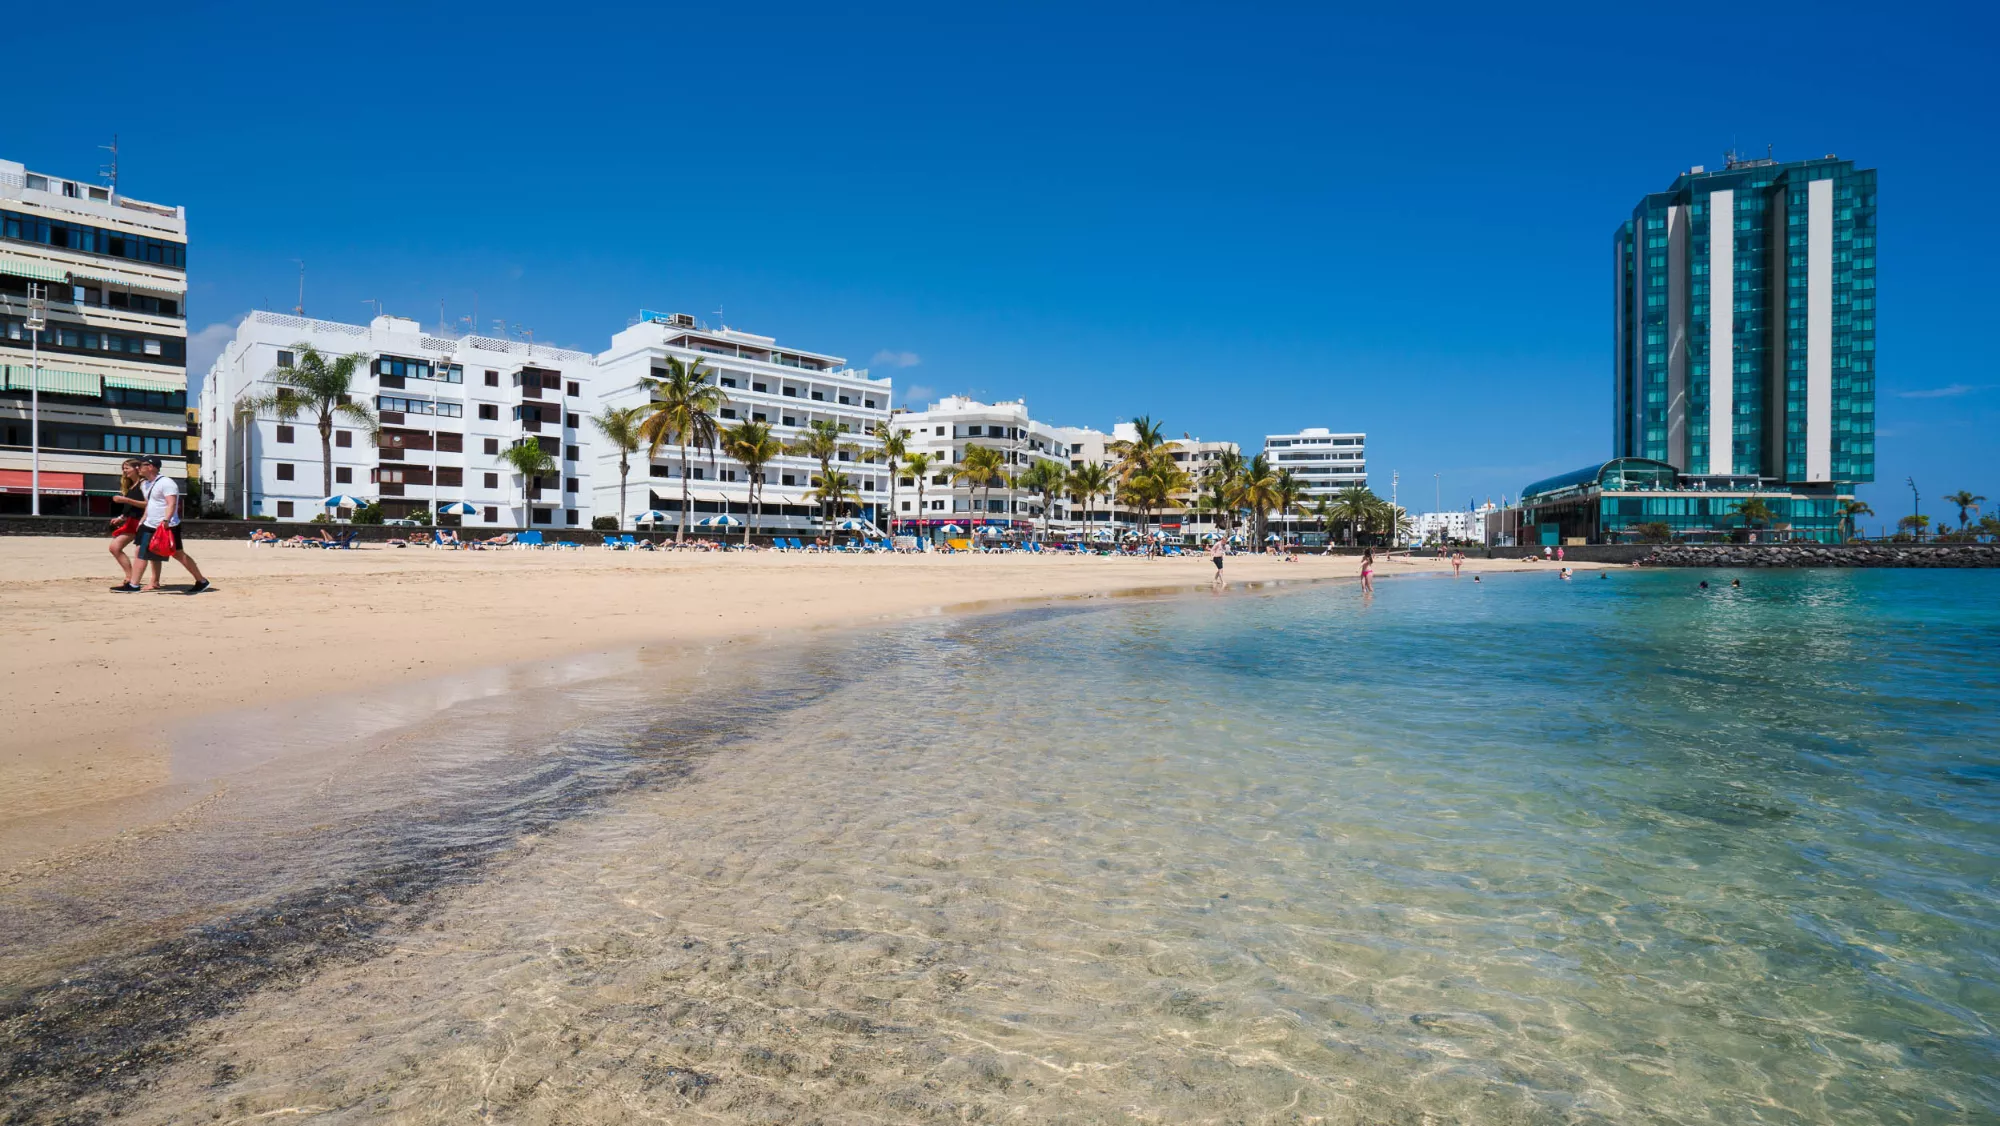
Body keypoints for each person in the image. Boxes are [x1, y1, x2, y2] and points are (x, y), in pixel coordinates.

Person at [128, 456, 209, 594]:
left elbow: (172, 503)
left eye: (141, 465)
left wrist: (166, 520)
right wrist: (143, 520)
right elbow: (150, 504)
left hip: (167, 525)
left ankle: (201, 581)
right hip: (150, 524)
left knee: (178, 554)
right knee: (140, 551)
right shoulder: (145, 484)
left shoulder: (166, 483)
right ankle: (133, 585)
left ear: (151, 467)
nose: (138, 468)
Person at [106, 458, 146, 592]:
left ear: (136, 468)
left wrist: (125, 499)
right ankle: (130, 577)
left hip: (143, 522)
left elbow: (148, 504)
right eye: (123, 468)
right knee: (114, 547)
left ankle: (134, 580)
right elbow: (130, 508)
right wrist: (121, 517)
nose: (124, 471)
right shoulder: (131, 485)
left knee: (142, 553)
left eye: (127, 468)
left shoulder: (143, 483)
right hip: (132, 522)